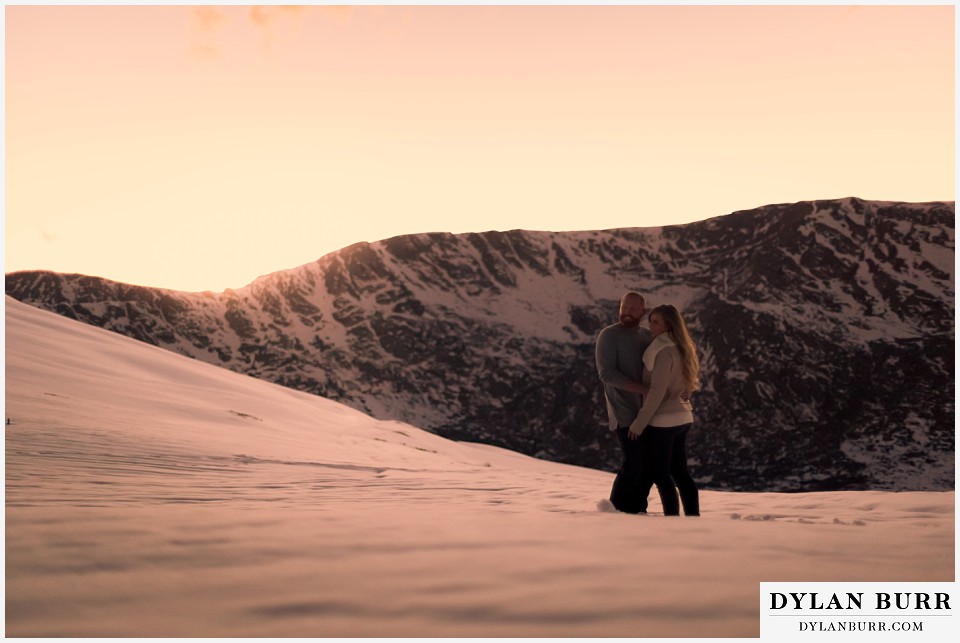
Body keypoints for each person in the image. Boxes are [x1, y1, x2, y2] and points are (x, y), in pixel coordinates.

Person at [628, 304, 701, 516]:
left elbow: (657, 391)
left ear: (668, 324)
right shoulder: (683, 347)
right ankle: (693, 518)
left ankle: (672, 521)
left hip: (663, 421)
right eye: (650, 321)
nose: (650, 326)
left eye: (655, 322)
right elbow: (687, 381)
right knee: (680, 473)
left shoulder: (662, 351)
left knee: (661, 475)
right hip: (684, 417)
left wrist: (639, 423)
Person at [595, 291, 653, 513]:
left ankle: (638, 509)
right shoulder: (609, 335)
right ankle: (616, 509)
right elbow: (607, 373)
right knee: (633, 460)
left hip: (648, 411)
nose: (626, 312)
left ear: (642, 312)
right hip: (623, 411)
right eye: (624, 308)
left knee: (647, 464)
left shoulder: (648, 336)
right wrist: (644, 390)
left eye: (632, 309)